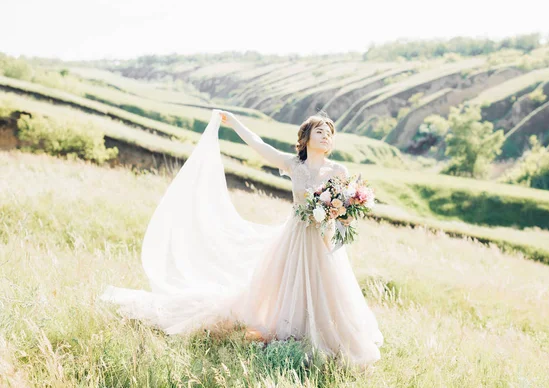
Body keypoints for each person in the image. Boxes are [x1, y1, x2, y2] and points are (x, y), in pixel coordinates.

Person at [100, 108, 383, 367]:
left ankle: (325, 340)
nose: (326, 136)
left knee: (326, 290)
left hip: (322, 240)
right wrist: (234, 123)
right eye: (320, 131)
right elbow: (260, 146)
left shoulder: (338, 171)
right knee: (287, 286)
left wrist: (342, 214)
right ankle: (291, 335)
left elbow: (345, 211)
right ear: (306, 137)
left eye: (329, 133)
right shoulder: (293, 165)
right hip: (295, 237)